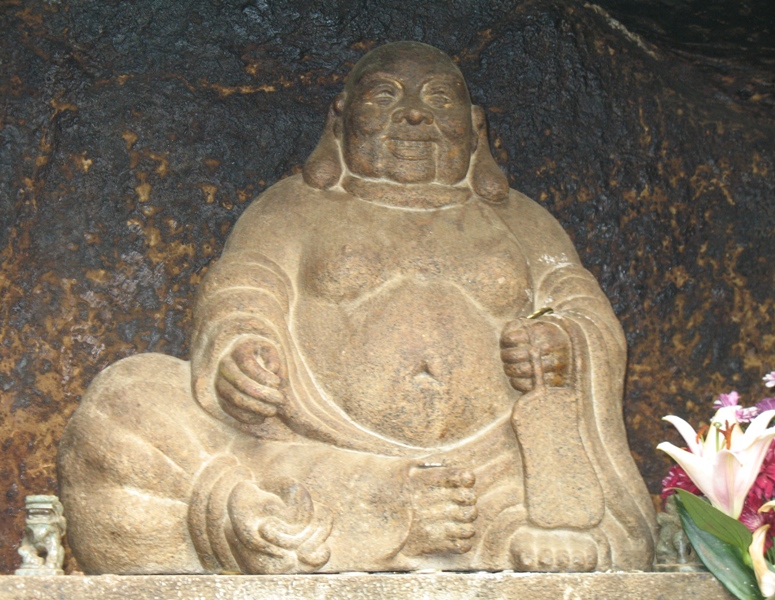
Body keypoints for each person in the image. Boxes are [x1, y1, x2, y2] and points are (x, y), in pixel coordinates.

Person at [58, 41, 655, 574]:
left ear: (476, 128)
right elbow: (244, 293)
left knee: (588, 509)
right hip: (314, 450)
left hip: (495, 468)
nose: (414, 115)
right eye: (386, 96)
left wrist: (561, 345)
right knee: (127, 401)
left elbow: (583, 312)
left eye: (438, 99)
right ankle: (378, 504)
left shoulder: (524, 221)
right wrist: (241, 353)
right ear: (339, 121)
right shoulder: (290, 209)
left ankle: (413, 522)